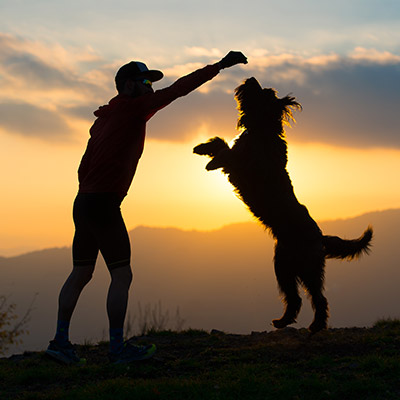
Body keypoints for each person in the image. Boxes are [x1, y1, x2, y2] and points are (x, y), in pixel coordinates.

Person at [45, 51, 248, 364]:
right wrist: (219, 66)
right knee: (122, 276)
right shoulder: (133, 109)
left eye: (151, 82)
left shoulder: (102, 120)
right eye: (145, 82)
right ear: (128, 87)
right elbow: (179, 89)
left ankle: (59, 342)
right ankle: (116, 349)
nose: (151, 88)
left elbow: (82, 167)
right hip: (104, 203)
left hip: (83, 201)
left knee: (81, 272)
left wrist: (94, 188)